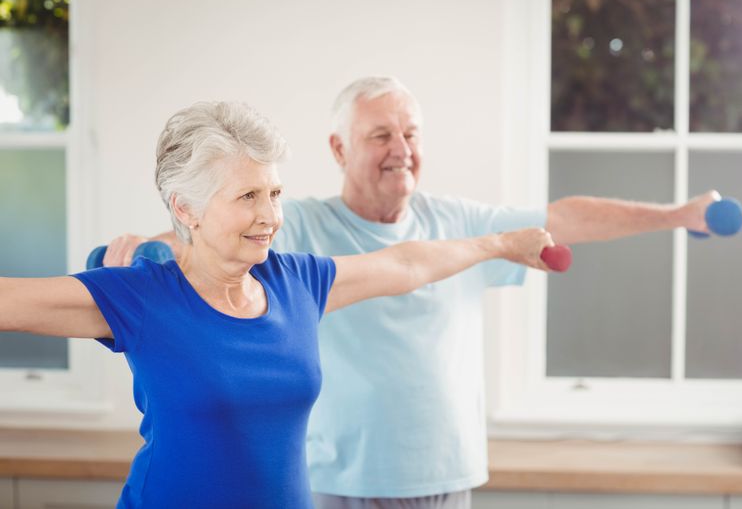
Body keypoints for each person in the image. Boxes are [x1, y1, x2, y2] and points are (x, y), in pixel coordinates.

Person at [104, 78, 718, 509]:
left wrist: (676, 214)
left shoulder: (459, 222)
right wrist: (146, 246)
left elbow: (564, 216)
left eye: (411, 133)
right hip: (333, 478)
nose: (401, 149)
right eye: (380, 135)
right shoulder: (300, 225)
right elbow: (209, 238)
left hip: (441, 476)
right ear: (340, 149)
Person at [0, 100, 558, 509]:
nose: (269, 216)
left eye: (274, 193)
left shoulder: (296, 282)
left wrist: (502, 244)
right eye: (247, 196)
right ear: (187, 209)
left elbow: (406, 264)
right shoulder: (143, 295)